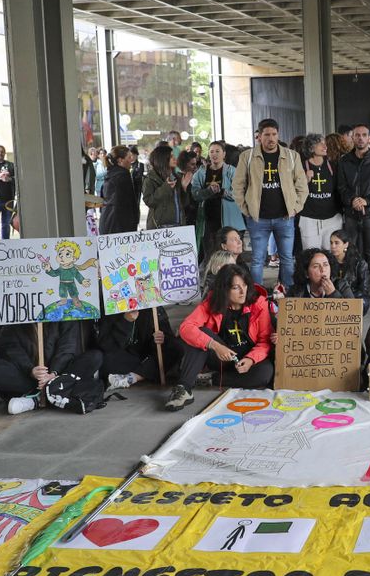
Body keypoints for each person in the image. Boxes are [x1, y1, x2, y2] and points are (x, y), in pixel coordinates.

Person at [172, 264, 275, 411]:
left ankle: (211, 379)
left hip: (247, 358)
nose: (242, 292)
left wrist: (251, 359)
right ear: (224, 290)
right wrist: (215, 345)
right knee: (199, 333)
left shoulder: (259, 304)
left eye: (245, 285)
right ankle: (184, 388)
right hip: (221, 357)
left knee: (265, 373)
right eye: (235, 288)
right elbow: (186, 327)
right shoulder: (212, 303)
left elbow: (265, 341)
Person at [232, 119, 308, 287]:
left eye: (274, 134)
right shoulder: (247, 156)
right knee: (258, 260)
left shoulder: (291, 156)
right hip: (258, 219)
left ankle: (287, 295)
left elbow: (302, 185)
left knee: (287, 259)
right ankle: (257, 297)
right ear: (259, 136)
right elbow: (237, 186)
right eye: (267, 135)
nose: (271, 138)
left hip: (285, 217)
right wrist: (246, 209)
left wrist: (295, 208)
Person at [0, 320, 102, 414]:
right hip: (29, 378)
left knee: (95, 357)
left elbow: (67, 347)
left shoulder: (64, 314)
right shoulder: (13, 320)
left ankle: (38, 398)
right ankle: (45, 395)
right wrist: (31, 370)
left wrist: (53, 373)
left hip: (60, 375)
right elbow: (10, 349)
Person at [335, 124, 370, 300]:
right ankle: (356, 288)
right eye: (357, 135)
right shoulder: (344, 161)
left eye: (364, 135)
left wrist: (366, 200)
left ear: (369, 139)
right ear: (352, 138)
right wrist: (353, 200)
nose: (360, 138)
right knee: (351, 250)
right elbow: (341, 187)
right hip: (351, 212)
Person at [99, 305, 184, 392]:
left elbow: (169, 339)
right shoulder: (111, 306)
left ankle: (131, 378)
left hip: (147, 357)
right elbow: (107, 346)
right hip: (124, 358)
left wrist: (160, 339)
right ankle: (143, 373)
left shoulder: (153, 306)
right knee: (101, 358)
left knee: (176, 348)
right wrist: (126, 321)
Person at [191, 141, 244, 258]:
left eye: (218, 151)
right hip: (208, 221)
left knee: (231, 256)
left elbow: (239, 193)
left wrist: (222, 191)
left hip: (229, 220)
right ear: (209, 154)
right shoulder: (201, 172)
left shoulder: (232, 171)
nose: (214, 154)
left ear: (224, 154)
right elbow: (195, 194)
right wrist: (208, 191)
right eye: (212, 151)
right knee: (210, 255)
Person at [143, 145, 191, 230]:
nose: (174, 158)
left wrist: (184, 187)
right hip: (160, 228)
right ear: (163, 159)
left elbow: (184, 203)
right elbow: (149, 201)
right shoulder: (150, 178)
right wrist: (166, 187)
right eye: (171, 156)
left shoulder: (176, 177)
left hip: (179, 225)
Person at [99, 146, 139, 235]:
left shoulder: (110, 175)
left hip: (108, 223)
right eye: (129, 157)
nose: (131, 160)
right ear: (120, 160)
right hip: (119, 227)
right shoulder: (123, 176)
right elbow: (127, 205)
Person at [327, 231, 369, 302]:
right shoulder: (327, 261)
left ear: (346, 244)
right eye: (331, 243)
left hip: (352, 297)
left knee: (364, 302)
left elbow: (364, 289)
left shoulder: (359, 263)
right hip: (331, 297)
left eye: (336, 243)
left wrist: (346, 297)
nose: (333, 246)